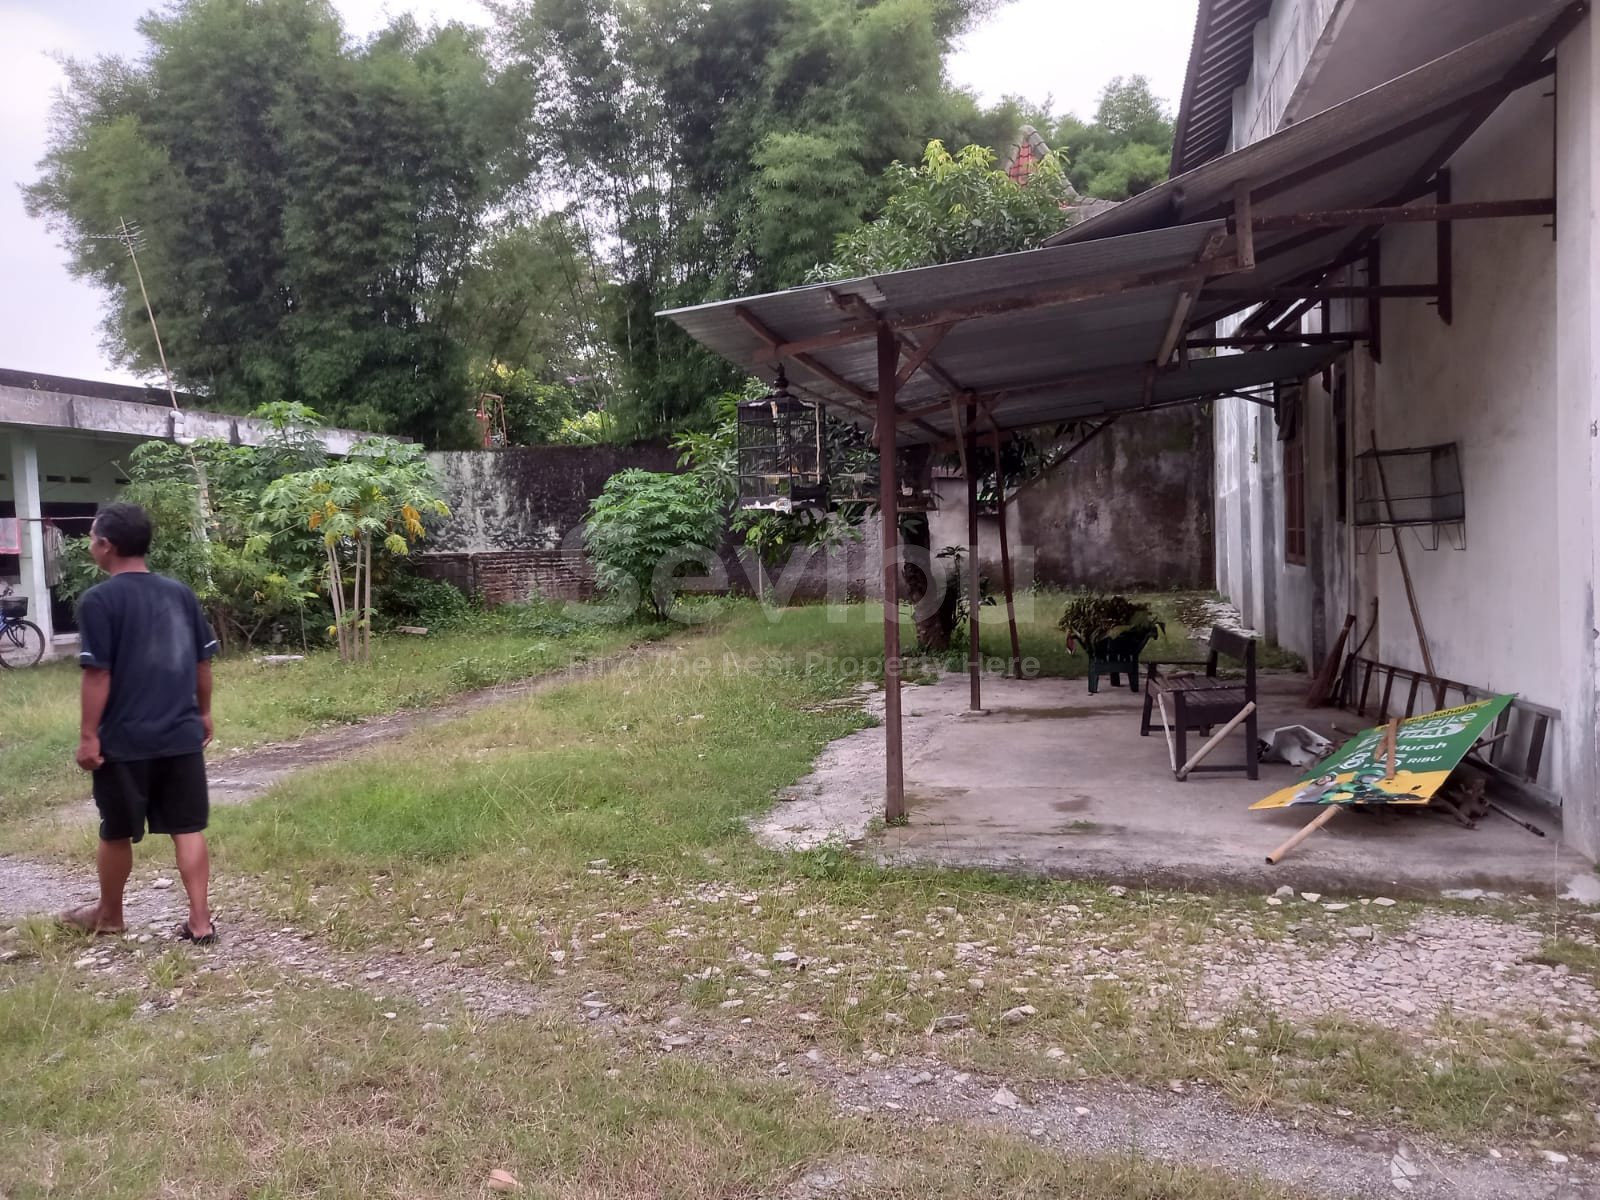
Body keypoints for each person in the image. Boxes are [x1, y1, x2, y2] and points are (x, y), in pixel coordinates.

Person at [61, 502, 219, 944]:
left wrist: (89, 737)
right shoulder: (179, 593)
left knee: (116, 831)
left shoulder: (99, 601)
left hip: (124, 741)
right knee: (187, 827)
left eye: (91, 537)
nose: (90, 545)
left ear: (106, 545)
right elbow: (202, 662)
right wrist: (204, 712)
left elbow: (98, 674)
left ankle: (110, 914)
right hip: (180, 734)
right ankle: (201, 922)